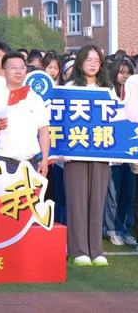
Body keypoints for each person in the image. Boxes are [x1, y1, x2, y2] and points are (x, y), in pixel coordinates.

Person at [64, 45, 112, 267]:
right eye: (88, 59)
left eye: (97, 60)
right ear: (80, 62)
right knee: (77, 200)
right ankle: (79, 250)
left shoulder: (108, 89)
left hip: (101, 152)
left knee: (97, 200)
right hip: (75, 152)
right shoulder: (69, 87)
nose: (93, 64)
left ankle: (96, 249)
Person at [0, 52, 50, 175]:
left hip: (32, 163)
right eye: (13, 68)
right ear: (4, 71)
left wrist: (44, 160)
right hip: (5, 163)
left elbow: (44, 131)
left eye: (22, 68)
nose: (18, 72)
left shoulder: (35, 99)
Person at [103, 56, 137, 246]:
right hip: (114, 154)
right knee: (113, 194)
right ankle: (112, 229)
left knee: (128, 194)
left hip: (132, 154)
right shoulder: (109, 94)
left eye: (129, 73)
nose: (125, 76)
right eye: (121, 72)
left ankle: (125, 228)